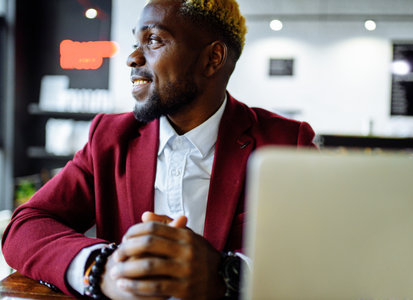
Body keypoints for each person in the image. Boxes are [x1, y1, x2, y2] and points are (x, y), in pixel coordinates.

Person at [2, 0, 316, 299]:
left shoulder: (285, 144)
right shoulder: (109, 137)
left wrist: (228, 276)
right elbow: (26, 224)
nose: (132, 58)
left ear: (212, 58)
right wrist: (102, 268)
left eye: (153, 40)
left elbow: (325, 250)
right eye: (136, 42)